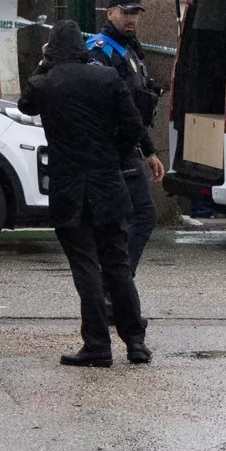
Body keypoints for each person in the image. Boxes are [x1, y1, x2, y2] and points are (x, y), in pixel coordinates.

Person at [18, 21, 151, 367]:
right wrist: (115, 154)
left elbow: (24, 103)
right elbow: (135, 126)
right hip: (108, 185)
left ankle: (97, 345)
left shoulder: (46, 84)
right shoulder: (106, 78)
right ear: (82, 47)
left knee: (86, 268)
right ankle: (135, 342)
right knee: (117, 264)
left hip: (69, 190)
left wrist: (45, 62)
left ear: (53, 49)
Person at [86, 0, 165, 285]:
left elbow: (136, 106)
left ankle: (114, 284)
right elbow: (109, 105)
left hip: (130, 144)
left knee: (127, 220)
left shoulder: (129, 49)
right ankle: (115, 284)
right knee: (140, 215)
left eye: (134, 13)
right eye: (125, 12)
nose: (131, 19)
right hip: (113, 148)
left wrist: (150, 151)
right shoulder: (100, 50)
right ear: (110, 13)